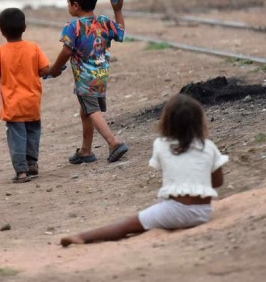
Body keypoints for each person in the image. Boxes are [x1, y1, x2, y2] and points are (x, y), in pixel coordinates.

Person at [61, 94, 228, 247]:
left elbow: (169, 171)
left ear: (167, 122)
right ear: (200, 122)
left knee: (127, 225)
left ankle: (83, 236)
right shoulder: (209, 147)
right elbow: (218, 182)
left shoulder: (161, 145)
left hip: (175, 211)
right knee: (157, 214)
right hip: (203, 212)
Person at [49, 0, 128, 164]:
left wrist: (54, 69)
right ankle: (85, 151)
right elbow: (121, 34)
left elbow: (66, 51)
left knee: (91, 111)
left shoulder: (73, 27)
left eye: (68, 2)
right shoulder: (104, 22)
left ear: (75, 5)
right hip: (101, 77)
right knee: (85, 111)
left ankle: (113, 143)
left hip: (85, 80)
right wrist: (117, 10)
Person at [0, 8, 51, 183]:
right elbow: (45, 69)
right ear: (24, 27)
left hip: (13, 103)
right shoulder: (33, 47)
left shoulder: (0, 51)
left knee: (17, 136)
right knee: (33, 133)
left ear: (1, 31)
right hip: (32, 102)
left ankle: (21, 172)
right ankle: (32, 163)